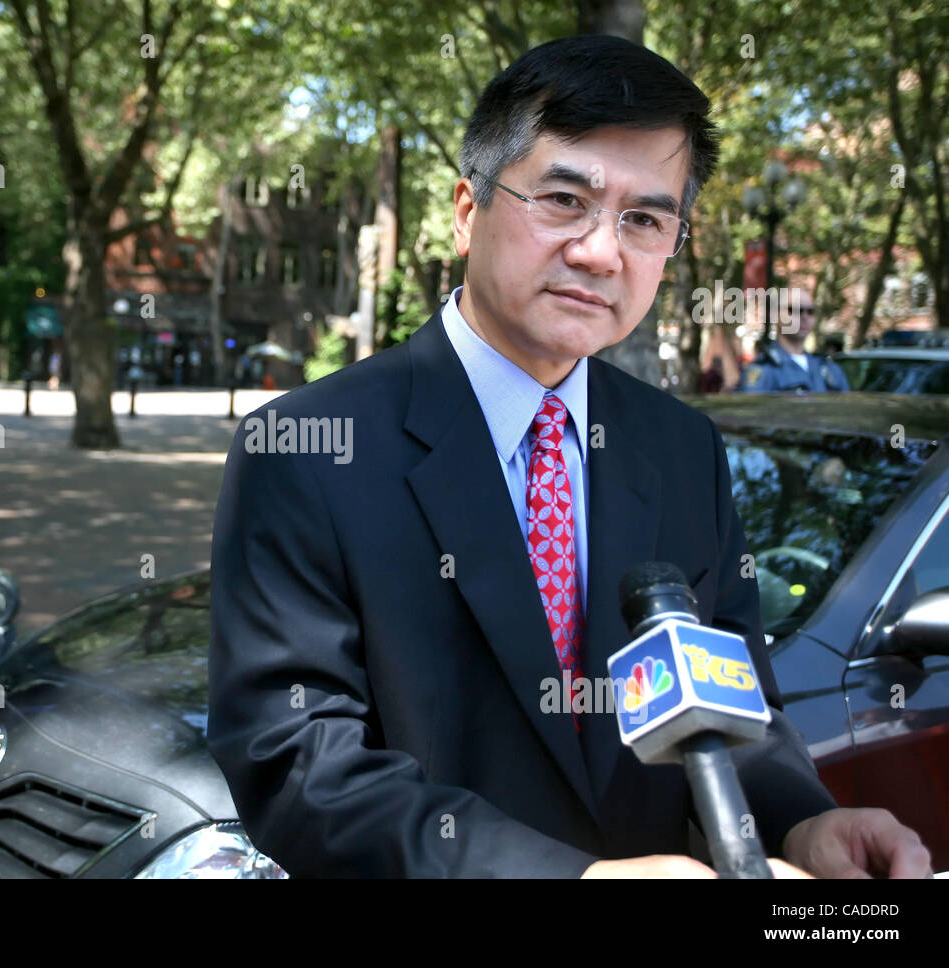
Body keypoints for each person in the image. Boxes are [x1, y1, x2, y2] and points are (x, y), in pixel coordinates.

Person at [207, 36, 931, 878]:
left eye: (645, 220)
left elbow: (732, 704)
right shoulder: (306, 450)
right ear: (468, 207)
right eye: (562, 199)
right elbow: (300, 767)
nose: (600, 251)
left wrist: (801, 823)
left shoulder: (680, 448)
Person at [738, 288, 849, 392]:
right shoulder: (763, 370)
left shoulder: (829, 369)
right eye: (795, 310)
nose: (805, 316)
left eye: (810, 311)